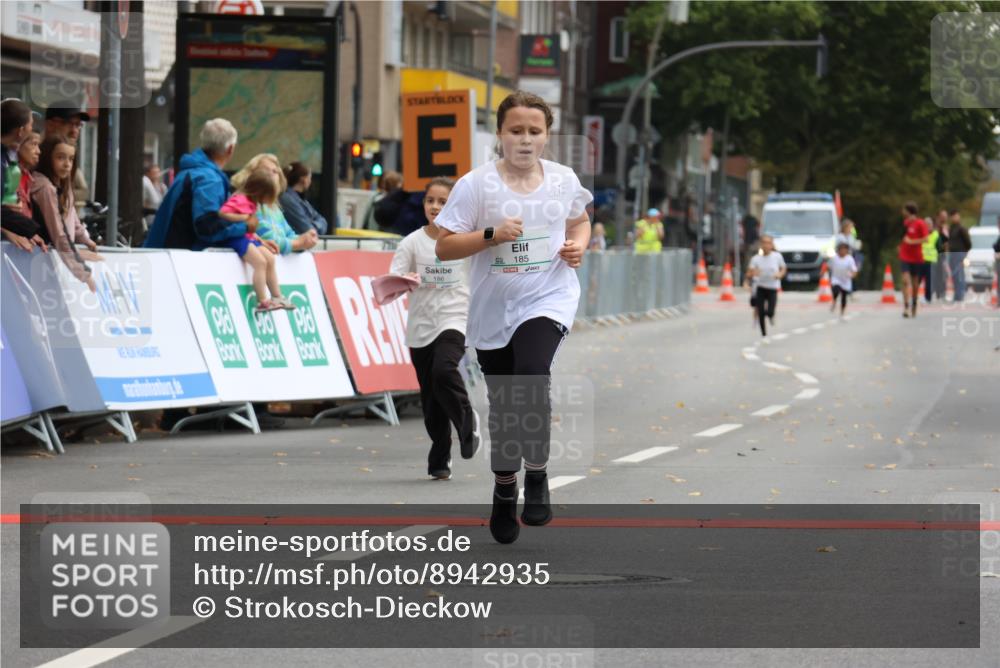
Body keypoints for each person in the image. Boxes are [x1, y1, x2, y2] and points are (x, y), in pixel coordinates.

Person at [435, 91, 592, 544]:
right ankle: (505, 489)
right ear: (500, 135)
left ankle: (537, 473)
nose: (525, 140)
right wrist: (489, 235)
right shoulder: (476, 185)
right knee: (505, 405)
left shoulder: (563, 181)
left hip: (549, 295)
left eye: (535, 132)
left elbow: (579, 221)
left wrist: (577, 244)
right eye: (516, 131)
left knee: (531, 374)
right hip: (492, 307)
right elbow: (445, 245)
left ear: (547, 136)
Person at [389, 177, 479, 480]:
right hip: (421, 325)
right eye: (430, 201)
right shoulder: (412, 242)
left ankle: (467, 423)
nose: (436, 207)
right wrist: (406, 280)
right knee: (430, 399)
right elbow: (392, 281)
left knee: (445, 370)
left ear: (454, 204)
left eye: (443, 201)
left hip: (455, 317)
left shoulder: (465, 239)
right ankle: (440, 455)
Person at [144, 118, 240, 250]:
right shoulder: (209, 179)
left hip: (165, 255)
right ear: (230, 149)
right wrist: (245, 226)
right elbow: (207, 227)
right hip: (179, 262)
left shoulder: (191, 171)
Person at [30, 134, 101, 289]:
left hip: (56, 260)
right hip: (39, 261)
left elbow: (72, 216)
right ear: (47, 157)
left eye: (71, 159)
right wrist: (83, 273)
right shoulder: (45, 188)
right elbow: (59, 232)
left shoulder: (64, 185)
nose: (67, 164)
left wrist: (84, 238)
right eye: (60, 158)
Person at [218, 169, 293, 313]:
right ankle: (263, 301)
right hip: (237, 238)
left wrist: (262, 241)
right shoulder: (239, 199)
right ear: (260, 192)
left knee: (270, 258)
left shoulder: (252, 202)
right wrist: (244, 218)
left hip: (248, 236)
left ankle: (277, 296)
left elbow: (251, 226)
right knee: (260, 263)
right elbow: (223, 212)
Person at [231, 154, 317, 255]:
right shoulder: (246, 202)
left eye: (275, 171)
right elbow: (268, 240)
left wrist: (305, 240)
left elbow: (288, 234)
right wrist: (299, 242)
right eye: (265, 170)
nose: (272, 175)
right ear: (251, 174)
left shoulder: (274, 207)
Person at [1, 98, 46, 250]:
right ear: (20, 132)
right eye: (30, 125)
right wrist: (29, 228)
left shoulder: (6, 157)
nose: (32, 128)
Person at [43, 100, 90, 210]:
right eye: (68, 123)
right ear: (50, 125)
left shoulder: (70, 160)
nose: (74, 131)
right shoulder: (33, 154)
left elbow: (84, 191)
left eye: (78, 125)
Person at [746, 234, 786, 337]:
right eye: (764, 243)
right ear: (761, 244)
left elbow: (783, 269)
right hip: (761, 287)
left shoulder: (777, 256)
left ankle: (771, 316)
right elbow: (749, 273)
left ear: (772, 245)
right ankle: (763, 334)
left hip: (772, 287)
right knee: (761, 311)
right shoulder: (756, 259)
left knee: (770, 311)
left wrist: (779, 275)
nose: (766, 245)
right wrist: (753, 273)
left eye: (768, 243)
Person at [279, 162, 329, 235]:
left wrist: (313, 226)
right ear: (304, 179)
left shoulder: (302, 200)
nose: (310, 181)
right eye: (309, 178)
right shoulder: (287, 200)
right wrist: (315, 226)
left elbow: (322, 220)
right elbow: (306, 229)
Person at [898, 201, 928, 318]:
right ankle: (906, 306)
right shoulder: (905, 223)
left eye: (904, 210)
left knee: (915, 284)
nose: (902, 212)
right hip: (905, 256)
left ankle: (914, 304)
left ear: (909, 211)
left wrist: (912, 242)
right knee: (905, 281)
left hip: (916, 258)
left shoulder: (920, 223)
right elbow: (904, 237)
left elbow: (926, 239)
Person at [946, 209, 971, 302]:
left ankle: (960, 295)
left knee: (959, 274)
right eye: (952, 216)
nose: (954, 218)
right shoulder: (952, 228)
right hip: (952, 254)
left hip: (959, 253)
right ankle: (957, 294)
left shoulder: (961, 228)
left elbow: (968, 242)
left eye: (955, 216)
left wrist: (965, 252)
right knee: (955, 275)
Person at [828, 241, 859, 317]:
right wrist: (823, 273)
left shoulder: (849, 259)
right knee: (836, 290)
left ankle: (842, 311)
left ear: (847, 251)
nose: (842, 251)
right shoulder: (834, 258)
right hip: (836, 278)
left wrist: (853, 275)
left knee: (844, 296)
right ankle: (834, 301)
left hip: (845, 280)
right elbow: (828, 266)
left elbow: (854, 270)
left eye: (844, 250)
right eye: (841, 249)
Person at [16, 131, 40, 217]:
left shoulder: (29, 178)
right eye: (34, 144)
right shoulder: (9, 175)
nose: (38, 151)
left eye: (38, 146)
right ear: (19, 144)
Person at [142, 163, 167, 229]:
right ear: (148, 174)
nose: (157, 175)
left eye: (158, 172)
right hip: (149, 221)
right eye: (154, 172)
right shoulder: (145, 185)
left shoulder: (162, 187)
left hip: (160, 220)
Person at [921, 216, 940, 303]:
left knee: (929, 281)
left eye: (929, 224)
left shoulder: (936, 235)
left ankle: (928, 298)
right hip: (920, 260)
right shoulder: (920, 234)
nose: (927, 226)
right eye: (925, 224)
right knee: (917, 279)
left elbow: (940, 248)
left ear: (932, 225)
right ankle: (914, 296)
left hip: (931, 261)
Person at [932, 210, 949, 300]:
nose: (945, 218)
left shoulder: (946, 227)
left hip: (943, 254)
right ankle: (936, 291)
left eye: (946, 216)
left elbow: (947, 240)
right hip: (934, 254)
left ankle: (942, 292)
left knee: (943, 274)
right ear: (939, 217)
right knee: (935, 273)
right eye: (943, 216)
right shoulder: (935, 227)